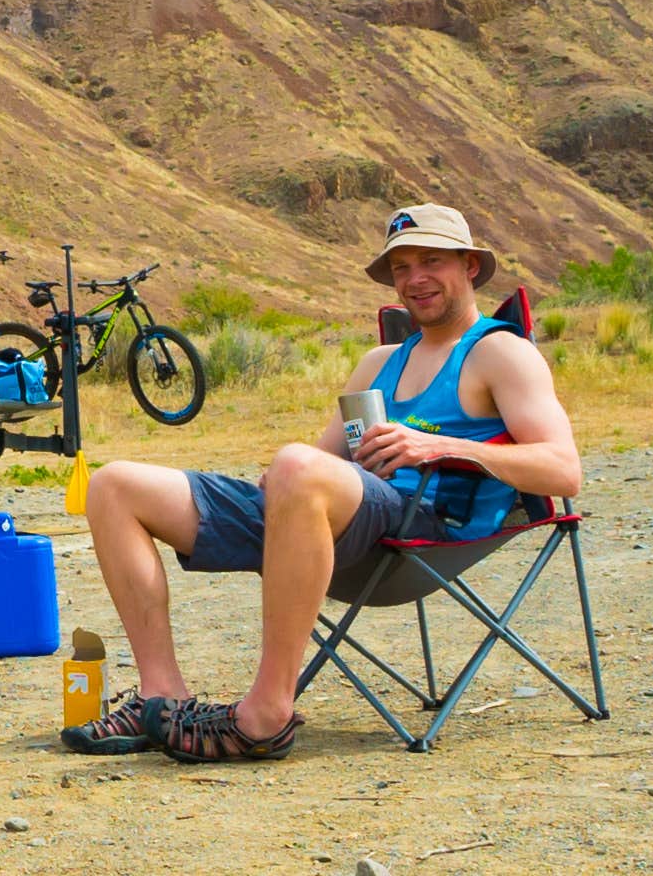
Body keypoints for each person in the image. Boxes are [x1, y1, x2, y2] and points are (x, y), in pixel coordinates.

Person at [60, 204, 582, 762]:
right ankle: (160, 692)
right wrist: (285, 476)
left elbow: (563, 469)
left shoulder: (500, 352)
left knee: (296, 468)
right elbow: (319, 458)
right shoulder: (379, 361)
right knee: (114, 485)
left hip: (424, 530)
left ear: (470, 267)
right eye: (401, 268)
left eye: (431, 261)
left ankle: (266, 715)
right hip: (336, 522)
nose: (415, 279)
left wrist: (441, 446)